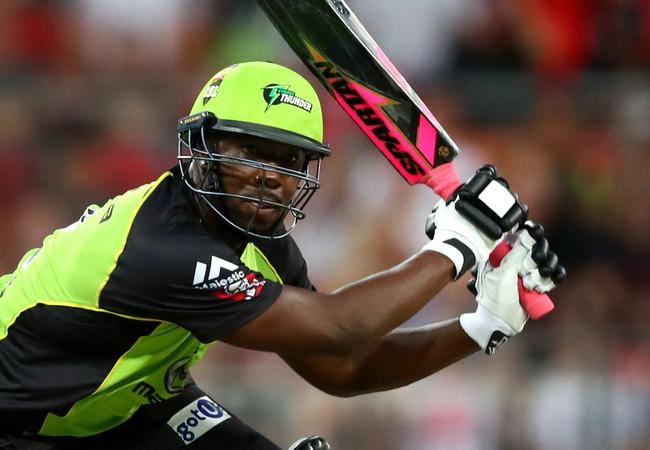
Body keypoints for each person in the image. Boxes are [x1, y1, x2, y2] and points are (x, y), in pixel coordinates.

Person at [0, 61, 564, 450]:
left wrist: (479, 326)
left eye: (288, 159)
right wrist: (458, 246)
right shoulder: (158, 247)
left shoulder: (256, 238)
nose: (271, 177)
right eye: (249, 150)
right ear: (201, 147)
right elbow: (341, 327)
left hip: (118, 407)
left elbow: (344, 367)